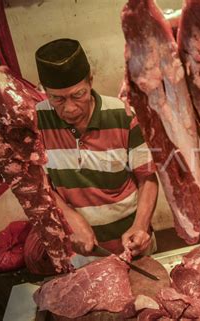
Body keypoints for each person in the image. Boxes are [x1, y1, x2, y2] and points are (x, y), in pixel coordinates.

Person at [34, 38, 158, 257]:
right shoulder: (36, 121)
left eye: (78, 95)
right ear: (46, 91)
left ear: (90, 81)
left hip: (132, 246)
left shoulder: (123, 114)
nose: (70, 108)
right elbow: (39, 182)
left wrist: (141, 226)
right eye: (57, 99)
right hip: (80, 253)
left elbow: (147, 178)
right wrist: (70, 218)